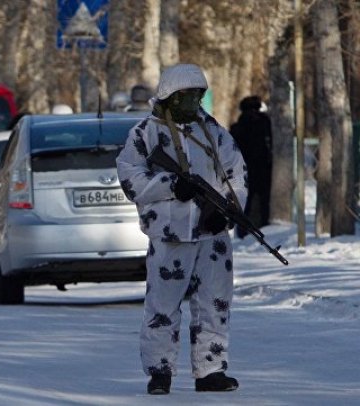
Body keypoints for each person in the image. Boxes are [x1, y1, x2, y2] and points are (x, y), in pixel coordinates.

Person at [116, 63, 247, 395]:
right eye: (185, 96)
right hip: (169, 235)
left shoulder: (214, 133)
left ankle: (211, 369)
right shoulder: (145, 134)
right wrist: (171, 185)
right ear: (169, 97)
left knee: (215, 302)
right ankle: (160, 371)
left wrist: (228, 213)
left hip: (212, 236)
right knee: (162, 305)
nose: (192, 102)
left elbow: (237, 175)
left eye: (197, 95)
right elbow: (131, 179)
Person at [230, 95, 272, 238]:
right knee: (264, 203)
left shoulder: (238, 126)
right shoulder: (265, 123)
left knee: (244, 202)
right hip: (263, 168)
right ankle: (264, 228)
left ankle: (242, 232)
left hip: (244, 170)